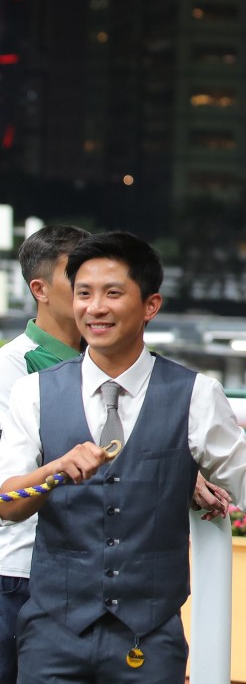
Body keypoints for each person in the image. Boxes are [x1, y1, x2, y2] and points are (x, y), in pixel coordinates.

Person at [0, 231, 246, 683]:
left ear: (150, 306)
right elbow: (7, 504)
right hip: (50, 636)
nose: (94, 307)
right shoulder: (33, 392)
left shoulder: (197, 395)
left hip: (149, 642)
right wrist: (54, 471)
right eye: (83, 293)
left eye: (112, 293)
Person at [0, 225, 89, 684]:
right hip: (17, 576)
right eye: (78, 278)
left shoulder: (110, 366)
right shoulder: (8, 370)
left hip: (92, 577)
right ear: (39, 290)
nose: (92, 294)